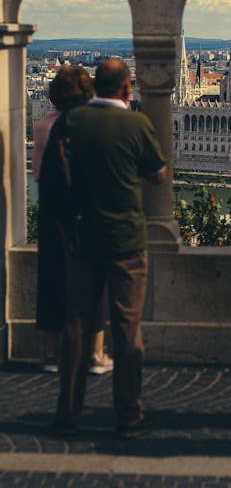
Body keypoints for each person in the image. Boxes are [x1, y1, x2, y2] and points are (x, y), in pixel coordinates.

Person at [53, 59, 166, 438]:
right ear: (126, 89)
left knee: (77, 322)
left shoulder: (73, 122)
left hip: (84, 237)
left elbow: (58, 175)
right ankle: (129, 413)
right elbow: (158, 173)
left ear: (95, 87)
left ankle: (67, 411)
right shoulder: (136, 123)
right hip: (126, 240)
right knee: (126, 327)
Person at [34, 65, 113, 375]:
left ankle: (50, 355)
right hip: (88, 216)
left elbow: (38, 173)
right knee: (94, 286)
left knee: (51, 283)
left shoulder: (42, 126)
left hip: (53, 216)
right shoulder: (94, 125)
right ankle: (95, 354)